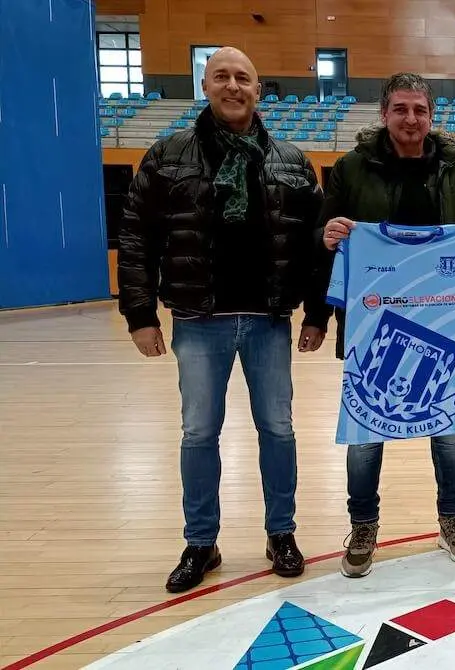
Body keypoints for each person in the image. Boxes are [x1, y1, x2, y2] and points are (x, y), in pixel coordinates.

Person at [117, 47, 327, 593]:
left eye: (244, 78)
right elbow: (137, 235)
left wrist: (317, 313)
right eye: (222, 78)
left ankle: (281, 532)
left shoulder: (290, 160)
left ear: (259, 90)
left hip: (267, 320)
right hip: (197, 320)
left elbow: (316, 244)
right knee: (198, 433)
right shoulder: (167, 156)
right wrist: (139, 312)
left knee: (278, 431)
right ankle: (201, 542)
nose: (233, 87)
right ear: (205, 87)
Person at [318, 72, 455, 578]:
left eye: (419, 109)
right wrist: (329, 234)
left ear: (431, 115)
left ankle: (452, 520)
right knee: (364, 431)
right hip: (371, 324)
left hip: (446, 323)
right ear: (384, 113)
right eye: (400, 109)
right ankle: (363, 524)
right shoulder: (352, 169)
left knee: (449, 431)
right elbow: (322, 234)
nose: (411, 119)